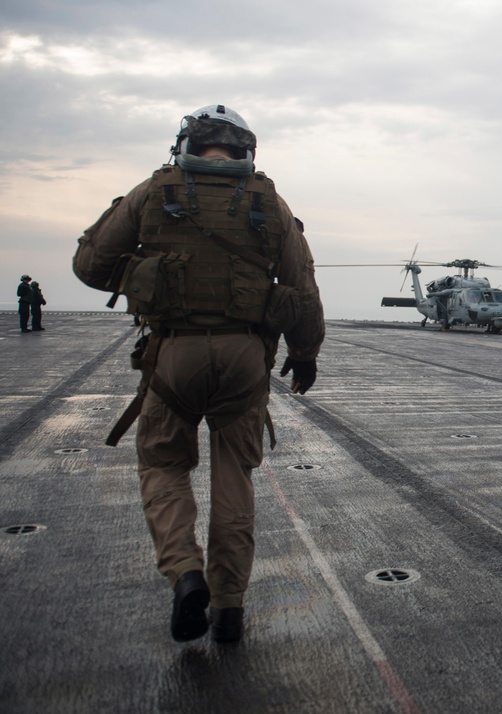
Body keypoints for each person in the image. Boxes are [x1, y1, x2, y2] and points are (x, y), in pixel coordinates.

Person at [73, 105, 325, 644]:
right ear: (245, 149)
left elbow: (90, 266)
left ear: (186, 142)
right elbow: (303, 289)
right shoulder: (269, 202)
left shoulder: (152, 191)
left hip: (173, 355)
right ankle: (229, 606)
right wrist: (305, 354)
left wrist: (148, 275)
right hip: (244, 359)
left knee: (164, 464)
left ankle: (186, 572)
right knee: (235, 475)